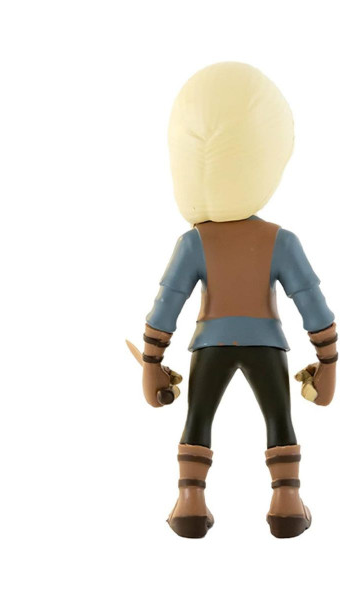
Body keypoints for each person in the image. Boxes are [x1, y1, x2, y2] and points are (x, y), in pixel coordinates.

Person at [134, 62, 337, 538]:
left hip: (210, 344)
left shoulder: (194, 242)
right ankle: (287, 501)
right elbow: (312, 303)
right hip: (267, 343)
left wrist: (152, 362)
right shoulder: (280, 240)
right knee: (279, 419)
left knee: (198, 419)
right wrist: (327, 361)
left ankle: (190, 502)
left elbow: (167, 304)